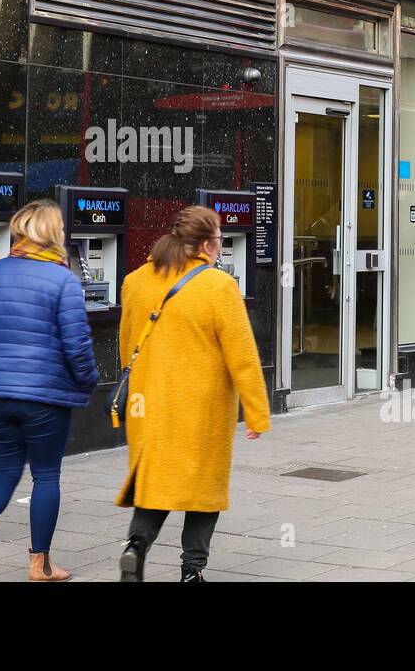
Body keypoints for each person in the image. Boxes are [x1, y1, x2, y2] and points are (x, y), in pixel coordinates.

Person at [114, 205, 271, 582]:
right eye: (218, 239)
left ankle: (136, 547)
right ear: (204, 244)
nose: (220, 246)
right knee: (203, 488)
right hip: (201, 408)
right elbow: (243, 357)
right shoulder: (219, 286)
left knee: (155, 482)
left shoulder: (136, 281)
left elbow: (126, 347)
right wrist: (257, 412)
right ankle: (191, 570)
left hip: (148, 404)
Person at [0, 200, 97, 582]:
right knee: (46, 475)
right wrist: (88, 380)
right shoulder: (63, 279)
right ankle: (40, 565)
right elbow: (76, 345)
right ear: (51, 234)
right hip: (44, 396)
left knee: (3, 471)